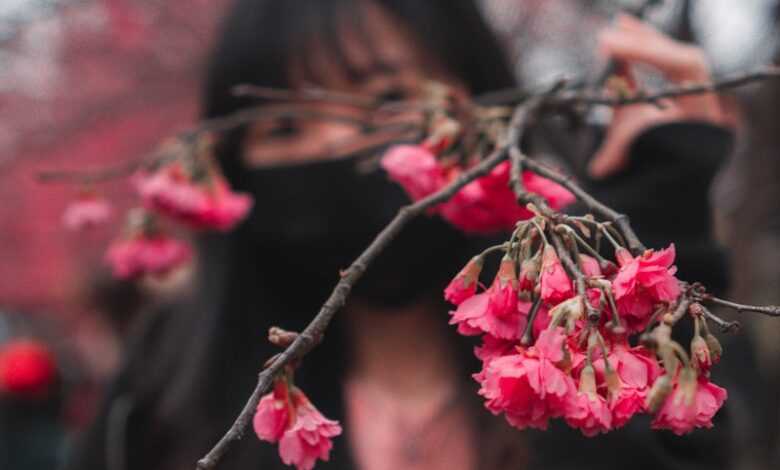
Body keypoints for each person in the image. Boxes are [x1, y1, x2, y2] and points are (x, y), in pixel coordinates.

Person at [65, 1, 743, 470]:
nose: (341, 146)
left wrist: (658, 229)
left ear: (477, 104)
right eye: (284, 128)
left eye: (389, 100)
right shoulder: (157, 391)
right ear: (238, 175)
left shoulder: (579, 335)